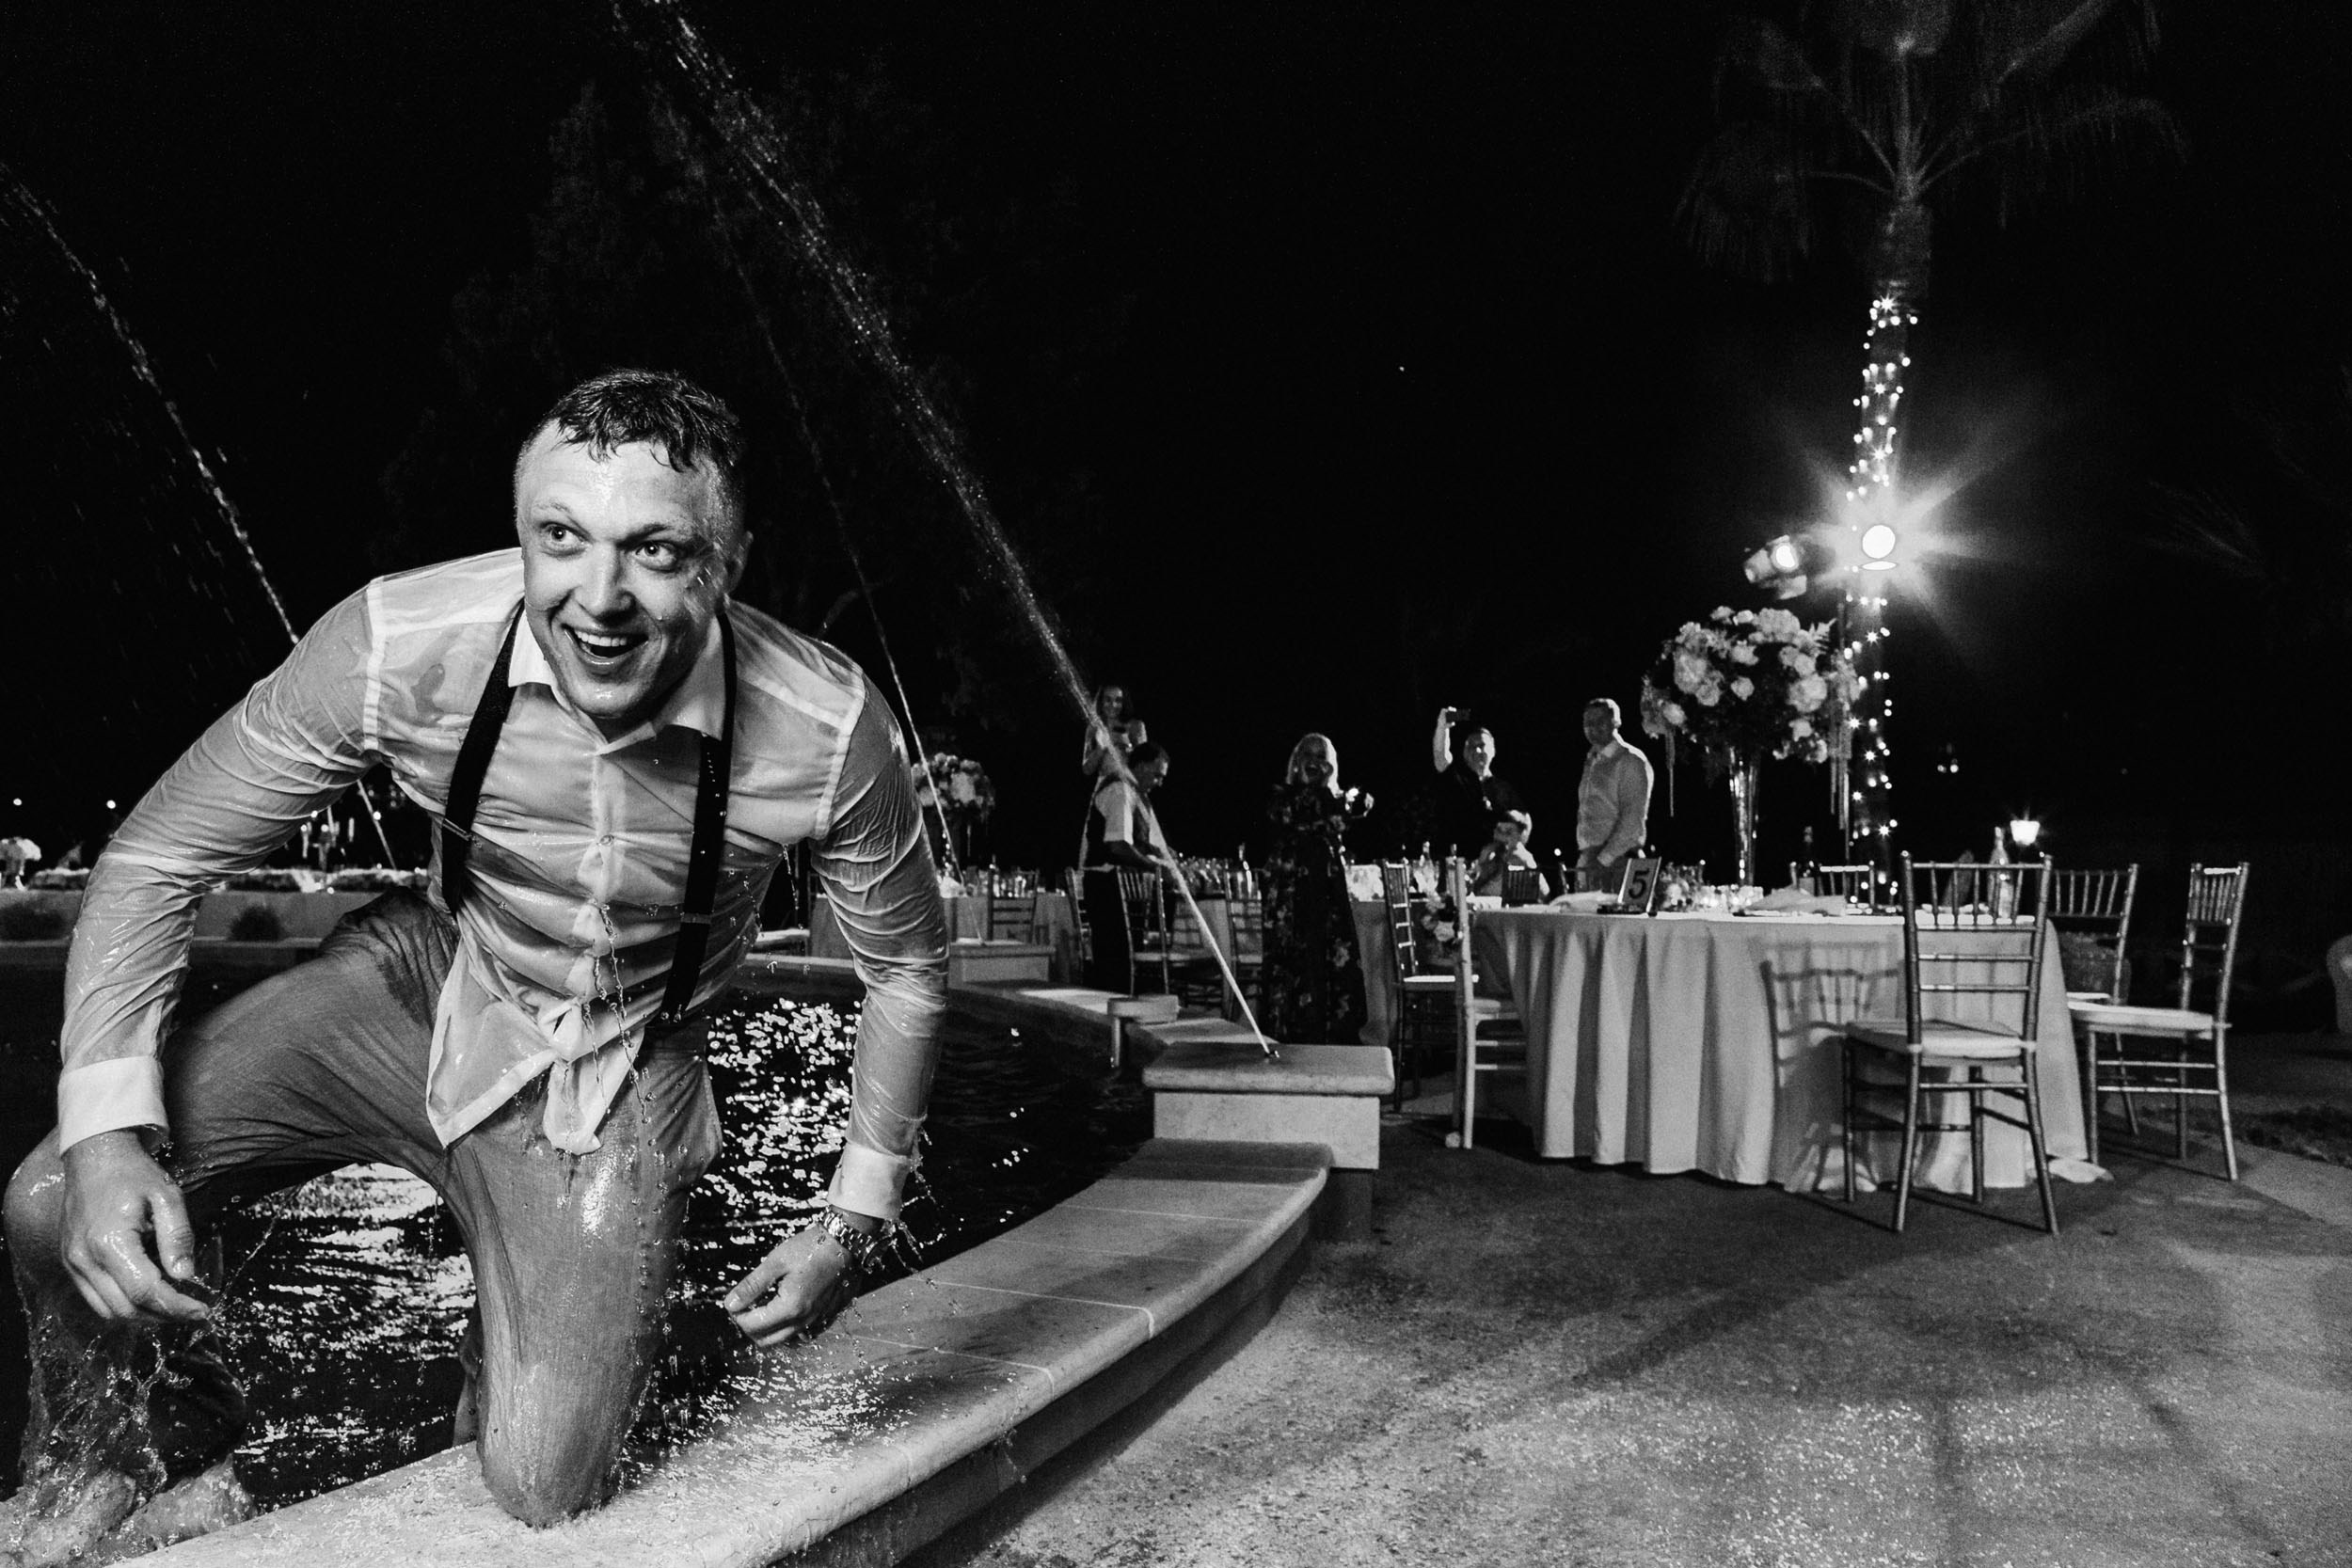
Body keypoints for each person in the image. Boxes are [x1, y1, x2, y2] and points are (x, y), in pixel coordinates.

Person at [0, 370, 948, 1558]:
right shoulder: (398, 646)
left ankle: (615, 1327)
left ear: (728, 561)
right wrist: (104, 1137)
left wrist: (852, 1221)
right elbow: (156, 855)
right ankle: (157, 1438)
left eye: (655, 550)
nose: (598, 596)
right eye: (561, 537)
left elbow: (906, 968)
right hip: (420, 982)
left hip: (619, 1062)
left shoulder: (827, 726)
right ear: (521, 532)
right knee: (52, 1200)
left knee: (546, 1480)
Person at [1257, 734, 1373, 1045]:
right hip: (1290, 890)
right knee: (1293, 957)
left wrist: (1347, 800)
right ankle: (1288, 1032)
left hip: (1326, 887)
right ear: (1296, 761)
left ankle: (1331, 1033)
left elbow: (1341, 818)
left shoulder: (1334, 799)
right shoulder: (1280, 796)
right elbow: (1293, 817)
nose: (1313, 762)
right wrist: (1318, 790)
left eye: (1321, 757)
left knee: (1328, 955)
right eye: (1307, 755)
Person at [1080, 741, 1172, 992]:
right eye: (1157, 775)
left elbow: (1139, 842)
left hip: (1122, 887)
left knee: (1125, 960)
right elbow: (1118, 846)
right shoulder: (1120, 790)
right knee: (1115, 961)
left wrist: (1162, 855)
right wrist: (1155, 868)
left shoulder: (1137, 795)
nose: (1159, 783)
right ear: (1141, 767)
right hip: (1107, 885)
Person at [1574, 697, 1655, 892]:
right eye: (1588, 723)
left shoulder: (1629, 760)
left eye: (1600, 721)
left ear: (1615, 722)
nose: (1593, 727)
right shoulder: (1592, 760)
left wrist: (1603, 859)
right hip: (1592, 859)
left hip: (1617, 860)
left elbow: (1633, 818)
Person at [1427, 705, 1526, 860]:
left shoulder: (1505, 789)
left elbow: (1524, 823)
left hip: (1496, 865)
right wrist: (1443, 727)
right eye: (1471, 747)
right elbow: (1441, 758)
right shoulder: (1458, 779)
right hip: (1460, 863)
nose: (1477, 751)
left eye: (1482, 745)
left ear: (1493, 750)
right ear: (1464, 753)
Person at [1466, 808, 1538, 898]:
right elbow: (1474, 887)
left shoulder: (1525, 859)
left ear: (1520, 836)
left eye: (1508, 832)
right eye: (1499, 830)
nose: (1501, 836)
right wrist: (1482, 863)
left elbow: (1543, 894)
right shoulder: (1492, 856)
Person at [1079, 683, 1147, 779]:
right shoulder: (1094, 728)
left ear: (1124, 702)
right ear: (1101, 702)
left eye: (1118, 700)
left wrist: (1127, 745)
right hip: (1105, 785)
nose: (1113, 705)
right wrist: (1100, 749)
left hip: (1130, 785)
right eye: (1108, 700)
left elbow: (1145, 766)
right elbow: (1086, 770)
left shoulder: (1136, 726)